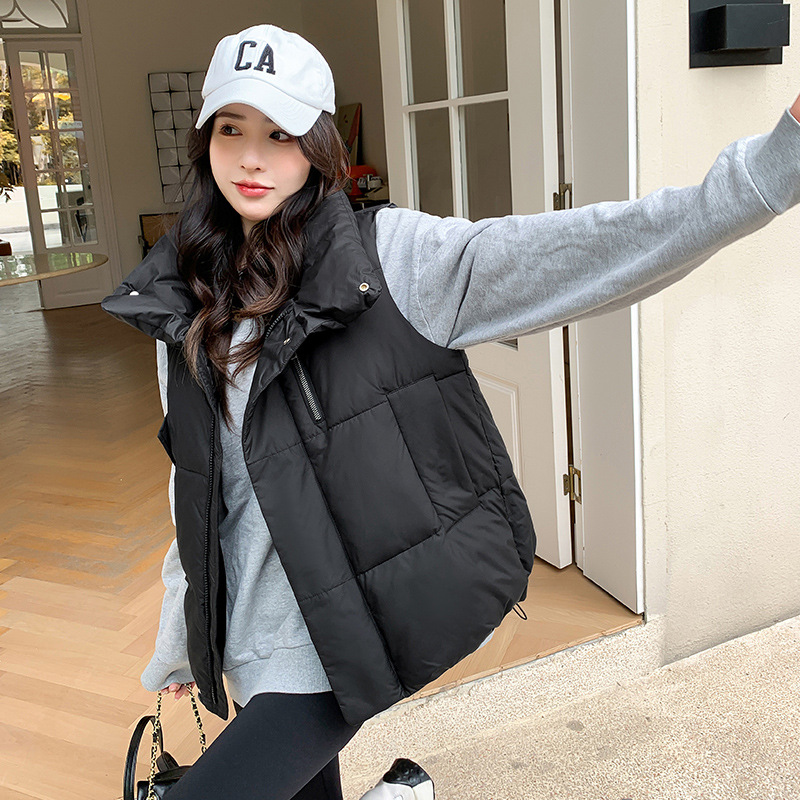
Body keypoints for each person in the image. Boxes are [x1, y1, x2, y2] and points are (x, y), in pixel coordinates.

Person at [101, 21, 800, 800]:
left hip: (338, 636)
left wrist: (775, 167)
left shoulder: (388, 258)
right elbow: (199, 484)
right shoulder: (184, 298)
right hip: (249, 636)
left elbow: (586, 248)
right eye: (232, 130)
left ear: (319, 147)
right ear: (205, 140)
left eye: (281, 133)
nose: (253, 158)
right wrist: (183, 634)